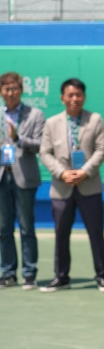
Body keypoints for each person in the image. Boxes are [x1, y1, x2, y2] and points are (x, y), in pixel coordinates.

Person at [39, 78, 104, 293]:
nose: (74, 99)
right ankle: (61, 277)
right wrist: (62, 173)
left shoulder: (95, 119)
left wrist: (84, 171)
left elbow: (101, 149)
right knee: (61, 234)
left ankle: (102, 276)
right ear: (62, 98)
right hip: (61, 187)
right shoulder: (52, 123)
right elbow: (45, 152)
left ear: (84, 97)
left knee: (96, 233)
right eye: (70, 95)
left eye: (78, 95)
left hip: (89, 185)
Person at [0, 72, 45, 290]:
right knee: (3, 228)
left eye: (14, 89)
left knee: (27, 227)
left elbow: (40, 144)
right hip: (2, 176)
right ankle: (8, 273)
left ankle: (29, 273)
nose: (10, 93)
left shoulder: (34, 114)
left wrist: (18, 138)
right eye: (6, 89)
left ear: (21, 91)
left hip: (24, 176)